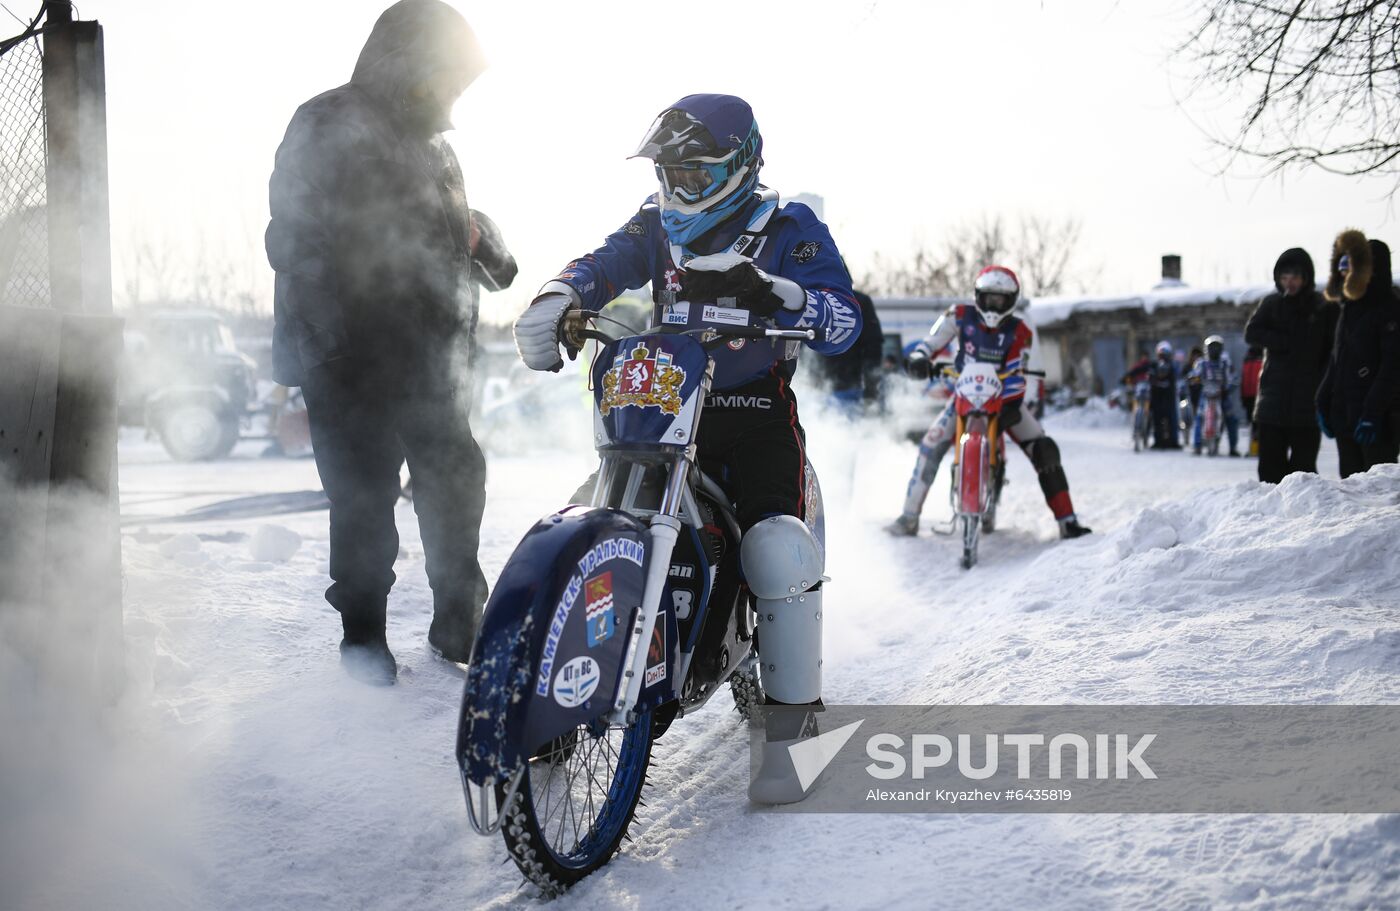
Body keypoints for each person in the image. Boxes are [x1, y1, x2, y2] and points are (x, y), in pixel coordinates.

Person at [511, 93, 861, 804]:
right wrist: (559, 293)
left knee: (777, 547)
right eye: (670, 174)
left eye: (695, 175)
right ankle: (553, 689)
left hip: (753, 411)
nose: (678, 191)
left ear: (740, 166)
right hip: (663, 409)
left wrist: (777, 291)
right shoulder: (655, 226)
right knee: (585, 519)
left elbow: (846, 319)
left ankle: (796, 734)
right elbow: (605, 263)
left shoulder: (789, 226)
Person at [264, 0, 496, 685]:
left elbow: (453, 240)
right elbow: (293, 238)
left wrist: (488, 247)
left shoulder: (438, 148)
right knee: (363, 498)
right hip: (348, 355)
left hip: (429, 358)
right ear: (412, 63)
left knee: (457, 475)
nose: (456, 91)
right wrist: (329, 348)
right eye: (449, 74)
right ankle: (362, 639)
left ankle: (460, 619)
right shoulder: (329, 120)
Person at [887, 265, 1091, 539]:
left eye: (1001, 298)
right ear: (977, 295)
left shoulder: (1022, 328)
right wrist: (919, 358)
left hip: (1007, 398)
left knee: (1045, 449)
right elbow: (931, 341)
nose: (994, 304)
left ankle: (1068, 521)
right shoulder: (957, 314)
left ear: (1013, 299)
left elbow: (1024, 368)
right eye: (989, 297)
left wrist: (1015, 403)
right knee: (930, 446)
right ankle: (908, 517)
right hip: (964, 395)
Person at [1244, 248, 1337, 483]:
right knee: (1269, 472)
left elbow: (1332, 349)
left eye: (1295, 277)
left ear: (1306, 277)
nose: (1290, 283)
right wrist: (1282, 342)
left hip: (1307, 403)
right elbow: (1252, 332)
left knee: (1303, 474)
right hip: (1272, 402)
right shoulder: (1272, 303)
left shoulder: (1321, 306)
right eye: (1284, 277)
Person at [1317, 230, 1400, 477]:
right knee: (1350, 497)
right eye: (1341, 267)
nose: (1344, 274)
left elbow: (1392, 368)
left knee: (1378, 496)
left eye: (1349, 267)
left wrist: (1373, 413)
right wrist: (1322, 400)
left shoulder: (1390, 309)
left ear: (1368, 270)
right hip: (1346, 417)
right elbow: (1337, 360)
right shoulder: (1348, 308)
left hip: (1378, 421)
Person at [1189, 335, 1241, 456]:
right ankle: (1197, 445)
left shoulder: (1225, 363)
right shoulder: (1201, 363)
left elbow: (1234, 377)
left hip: (1222, 393)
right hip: (1206, 394)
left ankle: (1233, 447)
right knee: (1199, 417)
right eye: (1212, 347)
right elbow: (1194, 374)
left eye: (1217, 347)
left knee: (1231, 418)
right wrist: (1193, 378)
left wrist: (1227, 389)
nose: (1214, 350)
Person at [1240, 346, 1263, 455]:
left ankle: (1254, 449)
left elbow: (1243, 380)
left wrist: (1243, 397)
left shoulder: (1247, 359)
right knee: (1258, 424)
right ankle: (1256, 448)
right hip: (1258, 396)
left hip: (1249, 396)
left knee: (1253, 424)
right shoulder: (1262, 359)